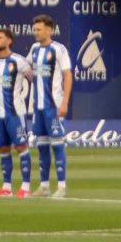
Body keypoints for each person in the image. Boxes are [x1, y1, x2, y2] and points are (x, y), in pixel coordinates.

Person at [26, 14, 73, 198]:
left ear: (49, 30)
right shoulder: (35, 49)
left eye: (39, 29)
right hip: (38, 107)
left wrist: (65, 102)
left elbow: (68, 76)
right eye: (34, 29)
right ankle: (44, 185)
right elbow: (26, 67)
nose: (35, 33)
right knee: (42, 146)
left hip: (53, 106)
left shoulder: (58, 49)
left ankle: (61, 186)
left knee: (57, 145)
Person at [0, 29, 34, 197]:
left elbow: (33, 78)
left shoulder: (19, 61)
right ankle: (6, 187)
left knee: (21, 147)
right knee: (3, 149)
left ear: (9, 41)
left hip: (15, 112)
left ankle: (25, 187)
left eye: (0, 37)